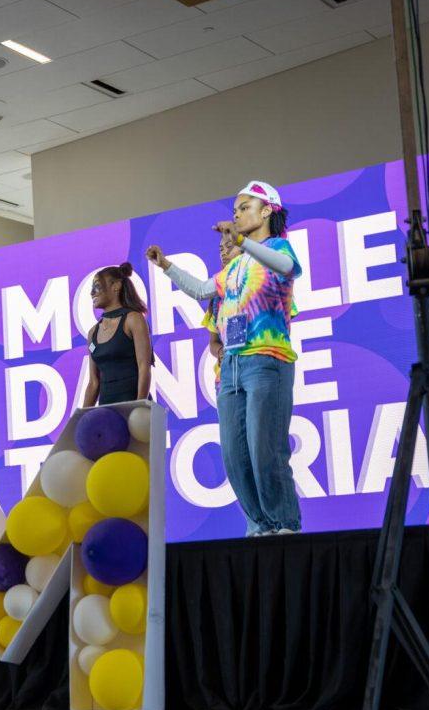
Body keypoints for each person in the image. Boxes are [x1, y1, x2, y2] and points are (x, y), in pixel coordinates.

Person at [145, 180, 303, 536]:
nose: (236, 214)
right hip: (230, 368)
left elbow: (287, 267)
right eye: (234, 210)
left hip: (266, 359)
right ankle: (260, 525)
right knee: (235, 456)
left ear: (267, 211)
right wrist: (167, 266)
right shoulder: (235, 267)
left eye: (244, 207)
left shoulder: (278, 248)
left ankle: (285, 525)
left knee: (266, 451)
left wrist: (243, 242)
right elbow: (202, 289)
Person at [82, 263, 153, 407]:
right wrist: (81, 419)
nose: (92, 293)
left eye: (97, 286)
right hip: (107, 413)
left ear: (116, 286)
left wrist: (139, 406)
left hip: (135, 407)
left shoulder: (133, 319)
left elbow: (144, 367)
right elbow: (94, 382)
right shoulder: (92, 333)